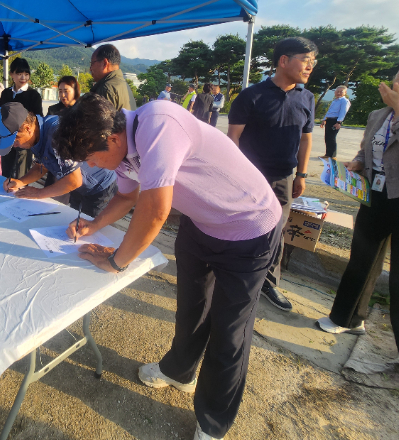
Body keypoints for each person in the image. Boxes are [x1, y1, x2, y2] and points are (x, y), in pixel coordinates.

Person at [51, 95, 281, 440]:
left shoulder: (158, 123)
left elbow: (156, 210)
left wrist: (116, 261)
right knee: (192, 308)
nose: (93, 166)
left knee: (229, 332)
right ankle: (179, 371)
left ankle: (212, 423)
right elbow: (127, 197)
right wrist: (92, 226)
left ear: (112, 138)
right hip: (200, 224)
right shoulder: (121, 151)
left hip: (248, 228)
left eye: (91, 157)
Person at [317, 55, 399, 372]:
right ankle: (346, 319)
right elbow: (368, 147)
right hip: (375, 194)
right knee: (361, 258)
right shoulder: (376, 114)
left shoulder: (398, 114)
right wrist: (358, 162)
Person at [227, 37, 317, 312]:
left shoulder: (306, 98)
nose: (310, 67)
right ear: (283, 61)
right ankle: (231, 273)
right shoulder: (251, 96)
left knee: (276, 231)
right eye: (305, 60)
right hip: (250, 177)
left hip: (283, 178)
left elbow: (305, 139)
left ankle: (267, 282)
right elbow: (233, 138)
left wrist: (301, 174)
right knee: (240, 225)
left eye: (313, 62)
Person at [0, 102, 117, 217]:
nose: (15, 145)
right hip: (78, 188)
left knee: (89, 230)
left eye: (15, 140)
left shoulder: (57, 134)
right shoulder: (36, 134)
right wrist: (21, 182)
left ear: (27, 128)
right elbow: (40, 167)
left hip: (100, 187)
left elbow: (74, 181)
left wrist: (38, 194)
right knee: (73, 220)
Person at [0, 58, 43, 179]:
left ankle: (21, 195)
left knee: (21, 174)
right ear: (12, 74)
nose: (23, 77)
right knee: (6, 171)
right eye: (19, 74)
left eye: (26, 74)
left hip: (24, 140)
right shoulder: (5, 93)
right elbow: (0, 112)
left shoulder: (34, 95)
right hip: (7, 138)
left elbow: (38, 118)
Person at [89, 44, 136, 110]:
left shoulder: (107, 88)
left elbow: (101, 120)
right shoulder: (123, 84)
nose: (90, 69)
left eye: (92, 63)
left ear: (105, 63)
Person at [320, 86, 351, 159]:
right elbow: (329, 111)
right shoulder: (335, 100)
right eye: (337, 91)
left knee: (332, 137)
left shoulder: (344, 101)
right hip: (329, 120)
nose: (339, 93)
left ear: (345, 93)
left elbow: (343, 112)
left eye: (341, 91)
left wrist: (339, 122)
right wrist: (324, 119)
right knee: (327, 137)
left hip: (335, 120)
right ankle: (328, 154)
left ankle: (333, 156)